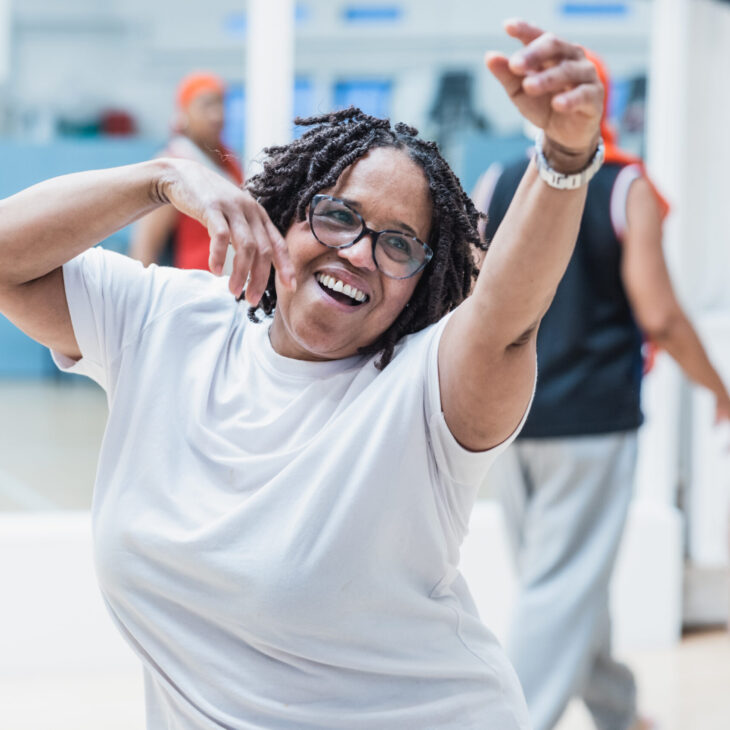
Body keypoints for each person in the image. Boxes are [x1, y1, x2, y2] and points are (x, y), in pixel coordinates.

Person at [0, 20, 604, 729]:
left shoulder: (423, 396)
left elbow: (508, 313)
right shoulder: (169, 321)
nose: (357, 253)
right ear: (283, 216)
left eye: (399, 244)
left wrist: (565, 154)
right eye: (338, 215)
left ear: (423, 283)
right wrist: (162, 177)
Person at [472, 50, 730, 730]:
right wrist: (719, 387)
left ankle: (616, 712)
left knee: (560, 577)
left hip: (508, 416)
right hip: (592, 422)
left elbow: (468, 297)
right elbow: (662, 317)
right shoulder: (625, 185)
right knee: (561, 585)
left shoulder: (498, 179)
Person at [129, 71, 244, 270]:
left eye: (220, 103)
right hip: (193, 287)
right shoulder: (171, 164)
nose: (217, 114)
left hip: (230, 289)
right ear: (185, 111)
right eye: (206, 105)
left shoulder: (229, 160)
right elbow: (144, 249)